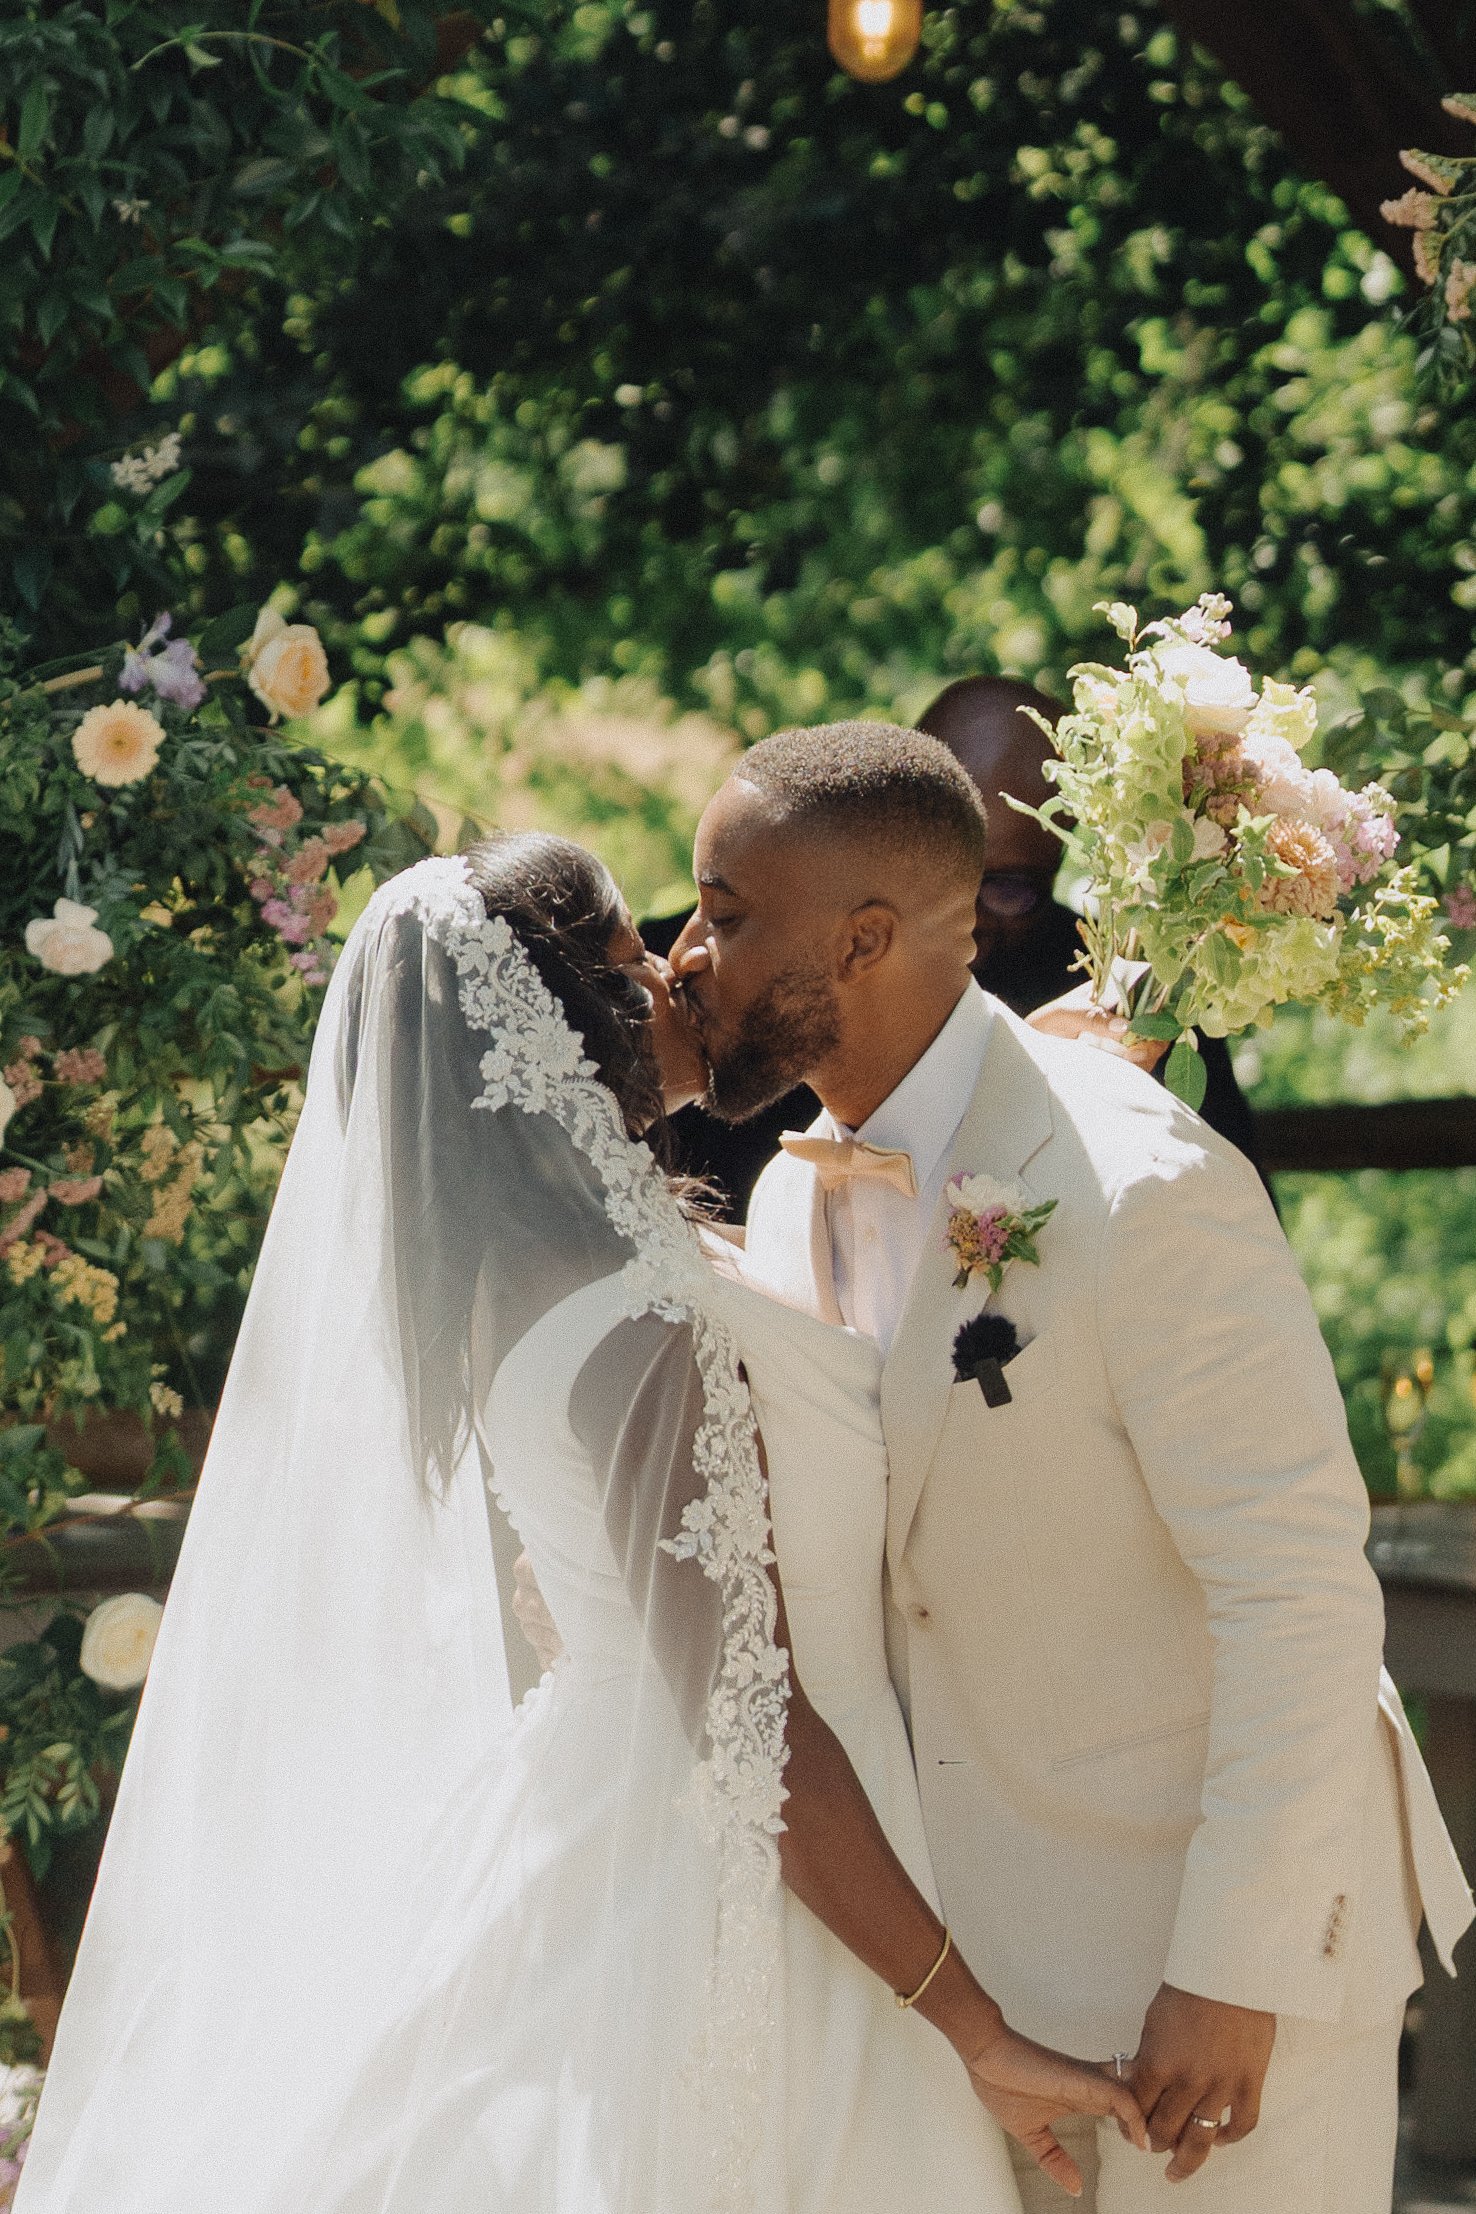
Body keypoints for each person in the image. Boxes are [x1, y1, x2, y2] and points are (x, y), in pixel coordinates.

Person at [18, 837, 1141, 2214]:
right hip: (739, 1867)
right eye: (634, 955)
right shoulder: (632, 1319)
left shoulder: (557, 1275)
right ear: (570, 1024)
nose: (677, 969)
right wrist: (973, 2029)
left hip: (635, 1800)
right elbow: (754, 1725)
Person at [662, 721, 1473, 2214]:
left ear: (861, 941)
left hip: (1212, 1988)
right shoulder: (786, 1201)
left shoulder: (1144, 1183)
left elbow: (1297, 1589)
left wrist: (1234, 1966)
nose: (685, 957)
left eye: (724, 913)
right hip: (969, 2000)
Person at [918, 676, 1264, 1169]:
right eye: (942, 876)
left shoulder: (1131, 989)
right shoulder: (839, 963)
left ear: (1059, 856)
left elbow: (1226, 1189)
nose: (967, 919)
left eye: (1009, 889)